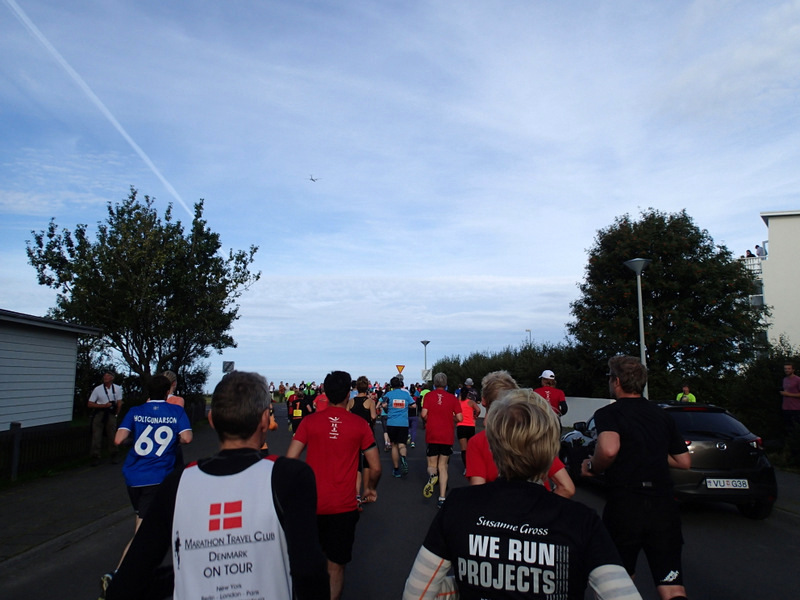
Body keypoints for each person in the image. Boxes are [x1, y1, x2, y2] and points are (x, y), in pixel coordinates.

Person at [105, 371, 329, 600]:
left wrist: (182, 579)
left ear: (211, 420)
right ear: (264, 420)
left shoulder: (178, 482)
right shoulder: (290, 476)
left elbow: (131, 576)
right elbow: (309, 569)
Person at [403, 390, 641, 600]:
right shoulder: (581, 521)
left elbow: (418, 593)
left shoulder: (458, 506)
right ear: (550, 449)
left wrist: (470, 585)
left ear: (495, 446)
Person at [581, 356, 691, 600]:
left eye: (610, 378)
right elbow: (683, 461)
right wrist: (648, 451)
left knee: (622, 581)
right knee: (672, 586)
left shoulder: (609, 413)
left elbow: (608, 449)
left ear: (617, 382)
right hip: (663, 504)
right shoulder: (662, 416)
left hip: (627, 502)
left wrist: (591, 466)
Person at [287, 370, 381, 600]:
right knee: (336, 566)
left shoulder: (309, 422)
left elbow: (290, 461)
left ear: (325, 393)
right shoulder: (360, 425)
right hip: (344, 506)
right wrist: (369, 487)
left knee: (309, 562)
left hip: (311, 504)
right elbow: (376, 466)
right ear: (348, 393)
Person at [101, 375, 193, 591]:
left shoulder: (135, 411)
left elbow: (118, 439)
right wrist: (171, 439)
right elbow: (187, 438)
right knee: (144, 533)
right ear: (167, 391)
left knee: (153, 525)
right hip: (158, 476)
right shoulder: (175, 411)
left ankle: (131, 575)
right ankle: (119, 578)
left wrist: (136, 439)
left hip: (134, 477)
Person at [467, 371, 575, 499]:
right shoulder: (533, 435)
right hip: (536, 506)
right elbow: (566, 488)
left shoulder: (477, 442)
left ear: (484, 402)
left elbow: (478, 493)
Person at [420, 372, 463, 507]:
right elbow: (460, 418)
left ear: (434, 383)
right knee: (443, 466)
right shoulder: (452, 398)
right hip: (447, 435)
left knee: (432, 465)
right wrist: (451, 418)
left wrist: (429, 420)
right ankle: (442, 497)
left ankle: (433, 476)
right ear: (446, 384)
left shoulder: (428, 396)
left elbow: (423, 414)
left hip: (432, 434)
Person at [348, 375, 378, 506]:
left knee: (356, 466)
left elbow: (346, 415)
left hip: (353, 435)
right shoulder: (370, 402)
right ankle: (366, 490)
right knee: (367, 465)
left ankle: (356, 495)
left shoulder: (351, 401)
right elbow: (373, 416)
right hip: (366, 435)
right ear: (367, 388)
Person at [88, 372, 123, 465]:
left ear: (112, 378)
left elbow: (119, 403)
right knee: (96, 435)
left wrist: (116, 414)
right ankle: (95, 456)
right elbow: (90, 403)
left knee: (112, 434)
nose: (105, 378)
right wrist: (103, 406)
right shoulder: (98, 389)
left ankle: (114, 454)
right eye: (105, 376)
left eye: (108, 376)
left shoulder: (117, 388)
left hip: (111, 414)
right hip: (100, 413)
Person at [383, 376, 414, 477]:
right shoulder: (405, 394)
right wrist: (405, 406)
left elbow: (383, 404)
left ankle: (396, 469)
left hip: (392, 422)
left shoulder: (388, 394)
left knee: (394, 446)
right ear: (401, 384)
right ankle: (403, 458)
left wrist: (388, 407)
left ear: (391, 385)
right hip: (403, 423)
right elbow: (414, 405)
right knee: (402, 445)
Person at [456, 386, 481, 474]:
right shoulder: (471, 402)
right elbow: (478, 410)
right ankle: (472, 466)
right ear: (468, 394)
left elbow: (453, 414)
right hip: (470, 426)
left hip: (461, 426)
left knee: (464, 449)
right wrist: (475, 416)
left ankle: (466, 468)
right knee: (471, 448)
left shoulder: (457, 403)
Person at [781, 362, 800, 435]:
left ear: (793, 370)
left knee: (796, 429)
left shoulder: (798, 380)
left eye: (789, 369)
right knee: (788, 429)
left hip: (796, 409)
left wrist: (788, 394)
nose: (787, 370)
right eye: (785, 369)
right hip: (786, 408)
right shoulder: (784, 380)